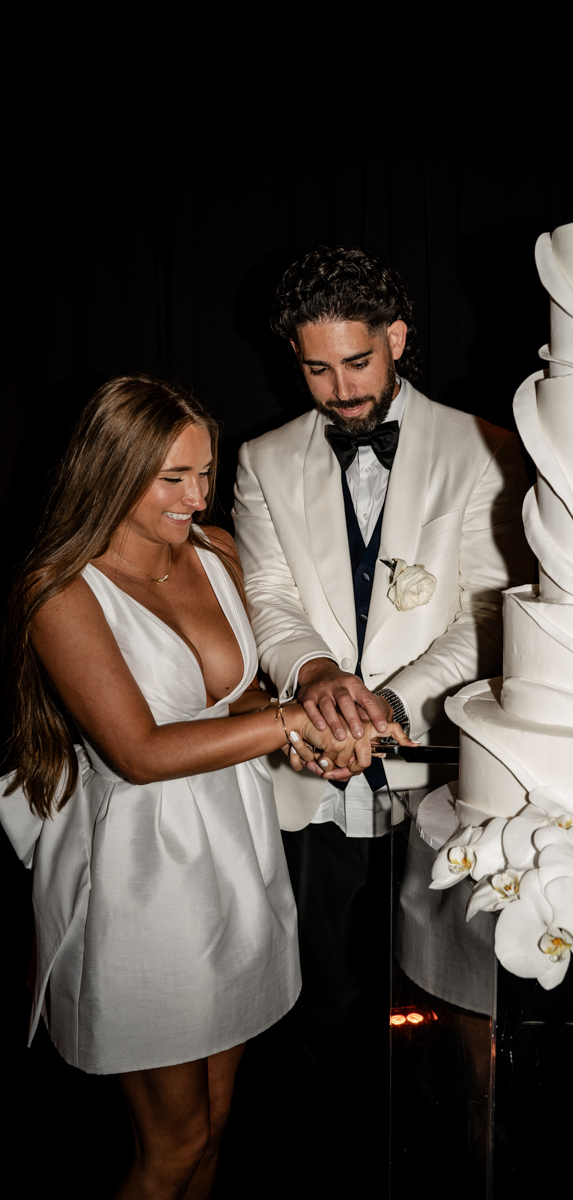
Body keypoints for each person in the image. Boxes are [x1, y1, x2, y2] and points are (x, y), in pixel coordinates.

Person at [0, 374, 409, 1199]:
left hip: (237, 849)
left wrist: (307, 742)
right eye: (171, 479)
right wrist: (293, 722)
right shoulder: (60, 588)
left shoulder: (216, 550)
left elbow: (242, 701)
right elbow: (141, 750)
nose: (196, 497)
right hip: (141, 871)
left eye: (205, 473)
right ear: (111, 471)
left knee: (218, 1127)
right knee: (173, 1145)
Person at [233, 247, 533, 1134]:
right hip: (311, 784)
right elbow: (269, 599)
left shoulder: (484, 449)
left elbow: (487, 611)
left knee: (444, 1010)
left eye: (356, 362)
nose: (338, 390)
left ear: (397, 337)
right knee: (325, 1007)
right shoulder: (259, 460)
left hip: (441, 778)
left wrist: (392, 703)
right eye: (315, 368)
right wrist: (317, 677)